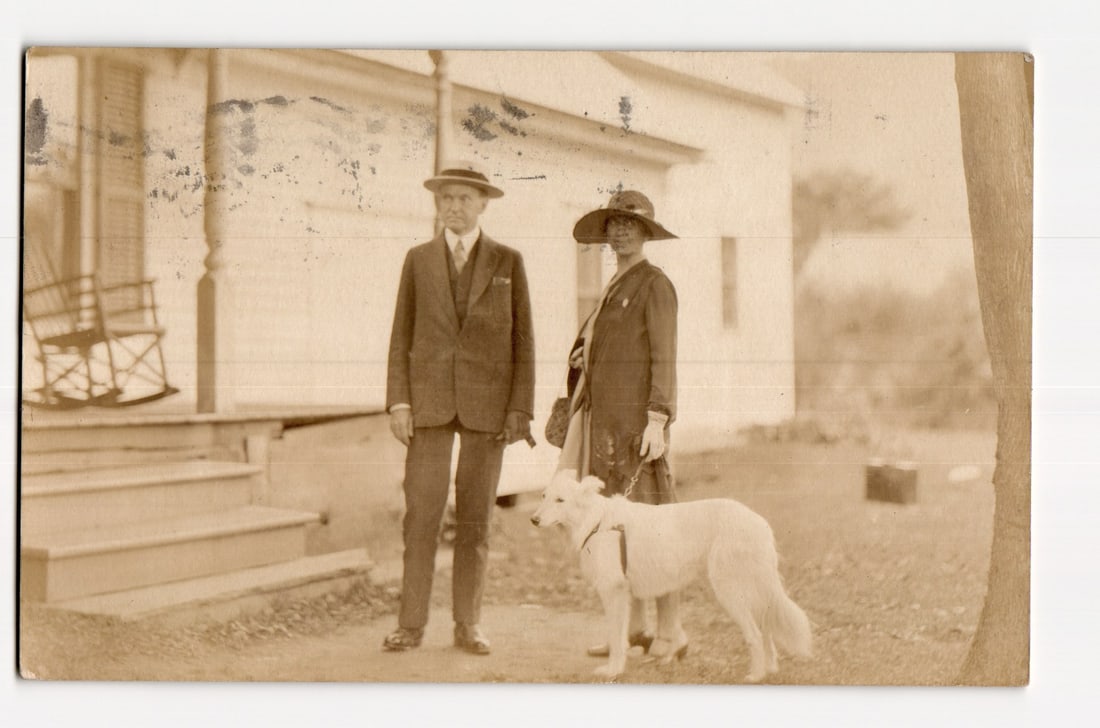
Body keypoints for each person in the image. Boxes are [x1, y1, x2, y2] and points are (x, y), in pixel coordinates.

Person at [383, 161, 535, 655]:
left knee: (475, 523)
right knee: (420, 519)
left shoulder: (507, 261)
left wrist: (519, 409)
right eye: (445, 198)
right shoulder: (418, 260)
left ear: (483, 204)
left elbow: (523, 341)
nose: (453, 207)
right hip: (428, 405)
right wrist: (399, 402)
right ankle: (410, 625)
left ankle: (468, 623)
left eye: (464, 198)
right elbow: (401, 335)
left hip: (487, 408)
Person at [558, 189, 686, 661]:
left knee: (656, 530)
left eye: (631, 224)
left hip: (637, 431)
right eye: (614, 224)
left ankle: (671, 631)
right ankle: (632, 629)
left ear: (646, 232)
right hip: (605, 429)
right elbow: (609, 346)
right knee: (615, 529)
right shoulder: (613, 286)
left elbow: (663, 356)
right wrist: (584, 356)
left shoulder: (654, 284)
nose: (621, 232)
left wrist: (658, 418)